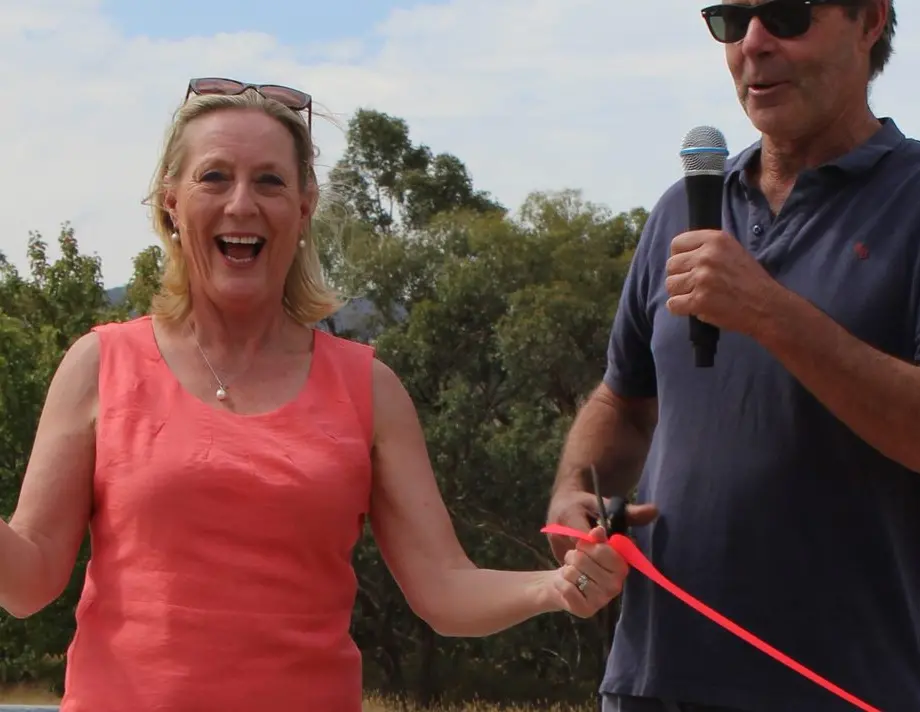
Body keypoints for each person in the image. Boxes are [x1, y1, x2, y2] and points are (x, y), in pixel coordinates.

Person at [0, 77, 629, 712]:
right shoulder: (99, 364)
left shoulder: (369, 389)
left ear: (304, 208)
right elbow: (27, 583)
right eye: (214, 177)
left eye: (269, 181)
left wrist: (556, 587)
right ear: (171, 203)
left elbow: (444, 588)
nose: (241, 203)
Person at [546, 1, 920, 711]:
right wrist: (571, 494)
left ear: (869, 22)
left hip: (832, 692)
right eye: (731, 20)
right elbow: (624, 401)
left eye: (786, 15)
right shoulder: (682, 209)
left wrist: (769, 312)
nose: (754, 43)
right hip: (648, 685)